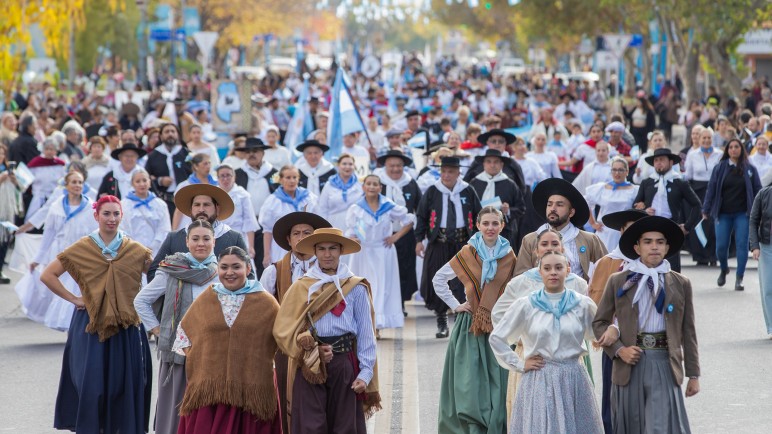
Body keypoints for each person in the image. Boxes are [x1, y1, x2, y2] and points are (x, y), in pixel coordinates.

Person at [40, 195, 154, 434]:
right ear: (96, 216)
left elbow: (157, 277)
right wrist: (74, 299)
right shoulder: (82, 247)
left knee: (125, 383)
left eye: (115, 214)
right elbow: (48, 275)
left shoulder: (135, 250)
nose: (111, 219)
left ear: (122, 216)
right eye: (106, 214)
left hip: (127, 324)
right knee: (91, 383)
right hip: (91, 324)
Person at [593, 216, 700, 434]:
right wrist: (619, 350)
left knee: (659, 426)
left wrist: (694, 374)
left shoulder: (680, 283)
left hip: (664, 362)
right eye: (648, 242)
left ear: (667, 247)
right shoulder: (619, 281)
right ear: (637, 247)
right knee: (632, 424)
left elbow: (688, 332)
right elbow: (600, 322)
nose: (654, 247)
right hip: (629, 362)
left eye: (660, 242)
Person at [273, 227, 380, 433]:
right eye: (321, 249)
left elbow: (366, 333)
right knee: (310, 425)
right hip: (309, 364)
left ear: (341, 251)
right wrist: (308, 350)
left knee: (344, 425)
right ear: (315, 252)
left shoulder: (355, 287)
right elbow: (283, 329)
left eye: (332, 248)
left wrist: (365, 372)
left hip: (344, 363)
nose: (327, 254)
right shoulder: (302, 286)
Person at [490, 251, 603, 434]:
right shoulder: (526, 305)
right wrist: (519, 363)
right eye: (547, 268)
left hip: (573, 377)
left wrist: (614, 329)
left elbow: (599, 333)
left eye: (558, 268)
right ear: (539, 272)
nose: (553, 273)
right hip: (539, 377)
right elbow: (497, 338)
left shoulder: (582, 304)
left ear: (567, 270)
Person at [172, 246, 282, 433]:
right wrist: (205, 363)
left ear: (248, 269)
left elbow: (282, 339)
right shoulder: (206, 298)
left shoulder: (267, 303)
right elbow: (185, 335)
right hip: (210, 394)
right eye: (224, 267)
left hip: (251, 393)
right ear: (218, 269)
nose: (229, 272)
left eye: (236, 267)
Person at [430, 207, 515, 433]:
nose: (490, 228)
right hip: (471, 327)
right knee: (470, 382)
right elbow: (438, 279)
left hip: (499, 326)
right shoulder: (467, 253)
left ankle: (497, 422)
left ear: (502, 226)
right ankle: (472, 424)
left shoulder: (509, 255)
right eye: (485, 223)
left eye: (495, 223)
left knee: (499, 380)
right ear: (477, 225)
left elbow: (516, 289)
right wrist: (456, 305)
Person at [133, 220, 219, 434]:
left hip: (214, 352)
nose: (201, 243)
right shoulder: (171, 270)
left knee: (209, 410)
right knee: (177, 408)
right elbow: (140, 301)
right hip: (180, 352)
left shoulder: (222, 271)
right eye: (196, 239)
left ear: (214, 242)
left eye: (206, 238)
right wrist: (158, 330)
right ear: (186, 242)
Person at [260, 211, 332, 434]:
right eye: (296, 233)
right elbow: (262, 311)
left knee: (320, 403)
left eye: (307, 233)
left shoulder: (329, 272)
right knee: (283, 398)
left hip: (321, 345)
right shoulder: (273, 271)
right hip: (285, 349)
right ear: (288, 240)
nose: (301, 237)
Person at [585, 209, 648, 434]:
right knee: (613, 404)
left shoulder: (655, 267)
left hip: (648, 344)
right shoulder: (606, 264)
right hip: (614, 345)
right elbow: (596, 305)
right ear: (621, 232)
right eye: (629, 229)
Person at [14, 171, 97, 330]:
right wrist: (38, 258)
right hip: (60, 254)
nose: (77, 186)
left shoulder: (90, 207)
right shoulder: (57, 206)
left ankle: (75, 324)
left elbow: (95, 234)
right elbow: (49, 233)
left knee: (77, 287)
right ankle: (67, 323)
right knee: (62, 288)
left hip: (81, 255)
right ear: (66, 185)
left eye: (80, 182)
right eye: (74, 182)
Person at [415, 156, 482, 338]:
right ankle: (441, 320)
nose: (446, 175)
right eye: (443, 171)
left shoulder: (468, 191)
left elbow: (478, 214)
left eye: (450, 172)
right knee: (438, 278)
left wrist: (480, 239)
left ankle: (462, 321)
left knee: (464, 282)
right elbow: (421, 216)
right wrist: (419, 239)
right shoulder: (432, 191)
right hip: (439, 242)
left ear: (458, 173)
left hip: (462, 242)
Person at [346, 175, 415, 333]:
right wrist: (353, 239)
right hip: (363, 252)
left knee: (382, 287)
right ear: (363, 187)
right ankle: (365, 323)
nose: (371, 187)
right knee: (363, 287)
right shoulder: (356, 208)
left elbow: (409, 220)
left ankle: (377, 323)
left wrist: (395, 237)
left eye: (375, 184)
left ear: (380, 188)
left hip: (383, 251)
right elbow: (350, 230)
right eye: (368, 184)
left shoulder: (388, 206)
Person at [148, 183, 247, 281]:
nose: (201, 209)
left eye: (206, 205)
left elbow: (248, 273)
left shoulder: (234, 238)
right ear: (191, 210)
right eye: (197, 205)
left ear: (217, 209)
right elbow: (154, 271)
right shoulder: (174, 238)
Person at [515, 178, 607, 280]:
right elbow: (520, 278)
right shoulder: (530, 240)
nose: (553, 208)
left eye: (559, 205)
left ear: (571, 212)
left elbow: (607, 268)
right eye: (549, 204)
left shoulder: (589, 239)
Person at [702, 138, 762, 290]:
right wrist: (706, 209)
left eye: (737, 147)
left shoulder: (750, 169)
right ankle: (724, 268)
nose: (734, 149)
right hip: (723, 213)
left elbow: (758, 190)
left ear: (741, 149)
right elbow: (711, 189)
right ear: (727, 150)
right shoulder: (720, 168)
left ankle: (739, 278)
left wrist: (760, 210)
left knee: (742, 245)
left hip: (743, 213)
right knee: (721, 247)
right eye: (731, 147)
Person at [633, 148, 702, 273]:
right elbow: (636, 205)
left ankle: (673, 291)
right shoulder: (646, 182)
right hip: (650, 225)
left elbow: (697, 205)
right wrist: (644, 210)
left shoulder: (679, 182)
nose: (659, 163)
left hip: (671, 226)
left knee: (672, 267)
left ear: (670, 162)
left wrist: (687, 227)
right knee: (648, 263)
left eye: (662, 160)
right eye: (656, 160)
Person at [377, 150, 423, 312]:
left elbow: (420, 209)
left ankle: (400, 304)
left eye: (399, 166)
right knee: (385, 271)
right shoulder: (378, 183)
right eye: (392, 166)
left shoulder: (410, 183)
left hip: (405, 234)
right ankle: (385, 305)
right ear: (385, 166)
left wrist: (419, 238)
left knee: (404, 270)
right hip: (382, 236)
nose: (395, 169)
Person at [259, 165, 318, 267]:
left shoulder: (308, 197)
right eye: (288, 177)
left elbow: (317, 224)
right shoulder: (273, 201)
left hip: (306, 244)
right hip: (281, 247)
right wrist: (266, 255)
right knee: (284, 272)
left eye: (294, 177)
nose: (292, 181)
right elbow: (267, 230)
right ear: (281, 180)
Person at [234, 137, 278, 274]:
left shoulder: (274, 174)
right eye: (248, 152)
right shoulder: (237, 174)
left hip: (269, 226)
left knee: (268, 261)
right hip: (245, 226)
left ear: (263, 153)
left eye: (256, 151)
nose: (252, 154)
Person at [469, 149, 526, 249]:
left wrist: (508, 211)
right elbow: (468, 208)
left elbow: (521, 208)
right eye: (489, 162)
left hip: (504, 233)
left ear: (501, 164)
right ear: (484, 164)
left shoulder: (510, 184)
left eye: (496, 162)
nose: (492, 165)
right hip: (479, 233)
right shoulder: (474, 183)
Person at [683, 127, 721, 266]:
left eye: (708, 138)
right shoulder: (692, 154)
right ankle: (700, 256)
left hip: (715, 190)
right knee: (699, 223)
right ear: (699, 139)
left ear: (712, 139)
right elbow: (688, 175)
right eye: (703, 138)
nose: (706, 140)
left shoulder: (719, 154)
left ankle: (713, 255)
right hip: (698, 191)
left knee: (712, 223)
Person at [586, 157, 640, 252]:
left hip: (624, 232)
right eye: (614, 170)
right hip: (604, 232)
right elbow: (587, 202)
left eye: (620, 170)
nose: (617, 173)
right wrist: (593, 223)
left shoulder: (634, 190)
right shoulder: (602, 188)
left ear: (627, 171)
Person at [120, 169, 171, 259]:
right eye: (138, 181)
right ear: (132, 184)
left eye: (144, 180)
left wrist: (153, 246)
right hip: (132, 252)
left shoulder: (160, 204)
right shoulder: (124, 204)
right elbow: (122, 228)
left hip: (156, 252)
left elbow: (164, 229)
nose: (142, 184)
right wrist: (134, 247)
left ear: (150, 182)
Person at [145, 123, 191, 217]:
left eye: (173, 131)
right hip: (163, 201)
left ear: (177, 134)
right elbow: (146, 177)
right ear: (161, 136)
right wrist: (159, 181)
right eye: (167, 132)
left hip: (185, 200)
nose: (170, 134)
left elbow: (193, 175)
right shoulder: (153, 156)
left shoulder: (186, 154)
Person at [215, 164, 259, 259]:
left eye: (228, 175)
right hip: (217, 235)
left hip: (239, 235)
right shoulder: (213, 194)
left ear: (234, 177)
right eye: (222, 176)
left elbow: (249, 220)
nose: (225, 179)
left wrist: (251, 246)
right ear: (217, 178)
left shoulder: (243, 195)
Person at [171, 153, 218, 230]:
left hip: (211, 224)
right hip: (188, 224)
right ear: (196, 166)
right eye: (205, 163)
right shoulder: (185, 185)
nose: (208, 166)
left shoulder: (216, 184)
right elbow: (178, 211)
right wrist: (174, 231)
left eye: (209, 163)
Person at [318, 153, 364, 229]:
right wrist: (325, 228)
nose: (347, 167)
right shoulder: (329, 185)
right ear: (338, 166)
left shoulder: (360, 185)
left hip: (354, 227)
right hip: (333, 226)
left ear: (354, 166)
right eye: (344, 164)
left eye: (350, 164)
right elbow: (323, 209)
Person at [25, 137, 66, 220]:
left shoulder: (60, 164)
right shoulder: (36, 163)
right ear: (43, 150)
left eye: (52, 149)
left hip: (54, 197)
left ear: (56, 150)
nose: (49, 152)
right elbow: (27, 179)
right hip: (38, 196)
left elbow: (63, 180)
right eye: (47, 149)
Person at [750, 185, 772, 338]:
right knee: (768, 288)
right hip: (766, 247)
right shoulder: (763, 194)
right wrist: (755, 246)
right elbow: (753, 220)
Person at [0, 144, 21, 283]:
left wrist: (14, 179)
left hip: (7, 210)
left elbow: (21, 188)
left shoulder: (8, 170)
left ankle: (0, 269)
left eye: (2, 154)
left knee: (4, 241)